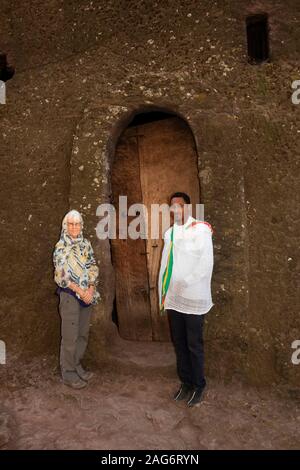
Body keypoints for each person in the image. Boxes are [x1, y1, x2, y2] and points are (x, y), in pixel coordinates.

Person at [158, 192, 214, 407]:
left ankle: (199, 385)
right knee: (179, 343)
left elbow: (206, 263)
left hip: (193, 297)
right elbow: (165, 264)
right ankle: (186, 383)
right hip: (174, 298)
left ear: (188, 208)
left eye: (179, 206)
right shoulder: (170, 233)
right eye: (172, 206)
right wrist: (164, 292)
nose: (175, 210)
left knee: (194, 344)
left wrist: (186, 281)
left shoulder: (201, 230)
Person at [53, 210, 100, 389]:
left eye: (77, 224)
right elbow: (61, 276)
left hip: (86, 295)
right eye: (71, 224)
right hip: (70, 295)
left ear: (81, 226)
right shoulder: (60, 247)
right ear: (66, 226)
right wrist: (80, 290)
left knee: (82, 334)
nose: (74, 227)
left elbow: (92, 266)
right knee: (70, 336)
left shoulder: (85, 244)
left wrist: (91, 288)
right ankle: (68, 372)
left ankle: (77, 364)